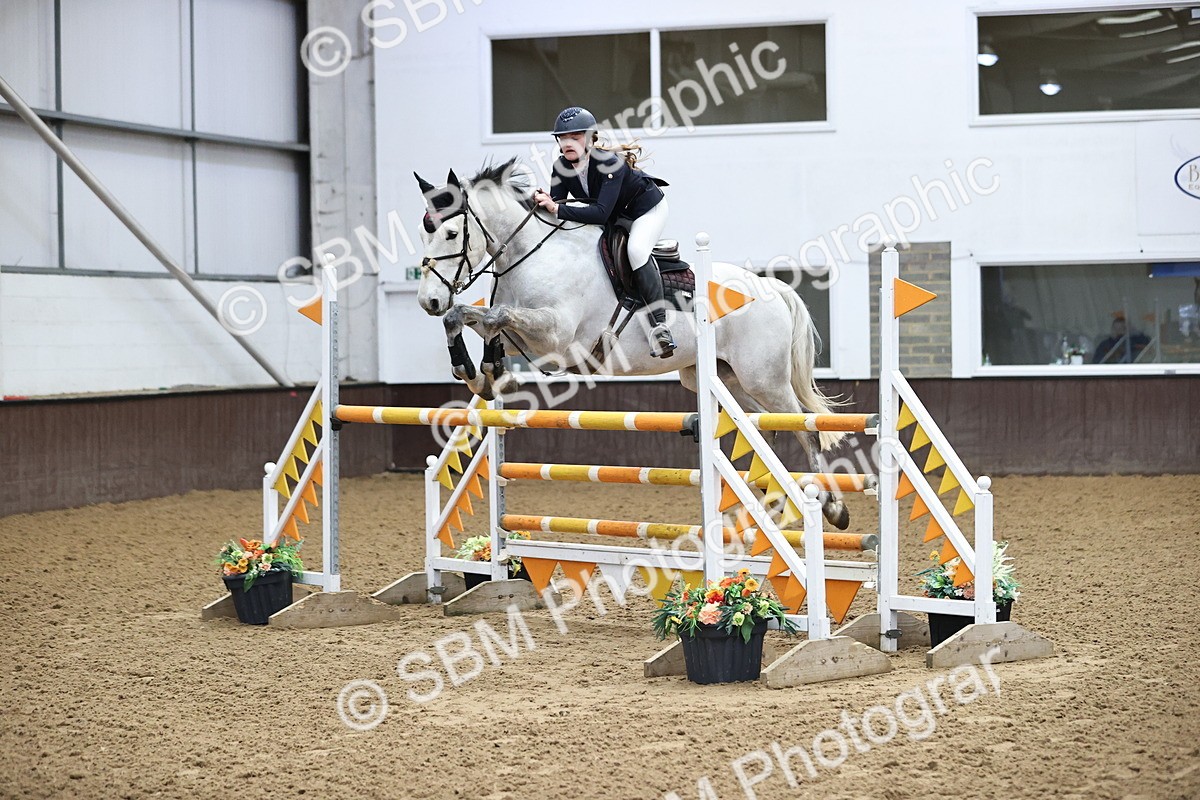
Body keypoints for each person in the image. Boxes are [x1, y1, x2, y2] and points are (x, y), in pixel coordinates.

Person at [532, 106, 676, 358]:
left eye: (575, 137)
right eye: (563, 138)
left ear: (590, 139)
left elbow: (599, 213)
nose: (568, 143)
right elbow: (558, 208)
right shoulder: (561, 166)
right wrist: (543, 202)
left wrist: (556, 208)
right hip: (615, 214)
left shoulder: (610, 163)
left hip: (645, 210)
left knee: (636, 250)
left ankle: (660, 325)